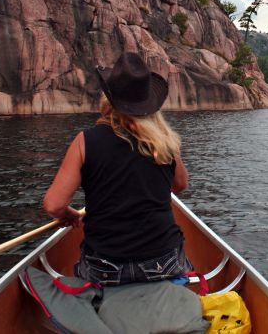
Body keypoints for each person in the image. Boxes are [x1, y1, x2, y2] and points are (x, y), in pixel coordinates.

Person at [43, 51, 192, 286]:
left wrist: (68, 214)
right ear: (149, 103)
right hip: (163, 262)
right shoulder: (165, 142)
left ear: (108, 99)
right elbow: (180, 185)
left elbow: (53, 205)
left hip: (104, 268)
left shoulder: (85, 141)